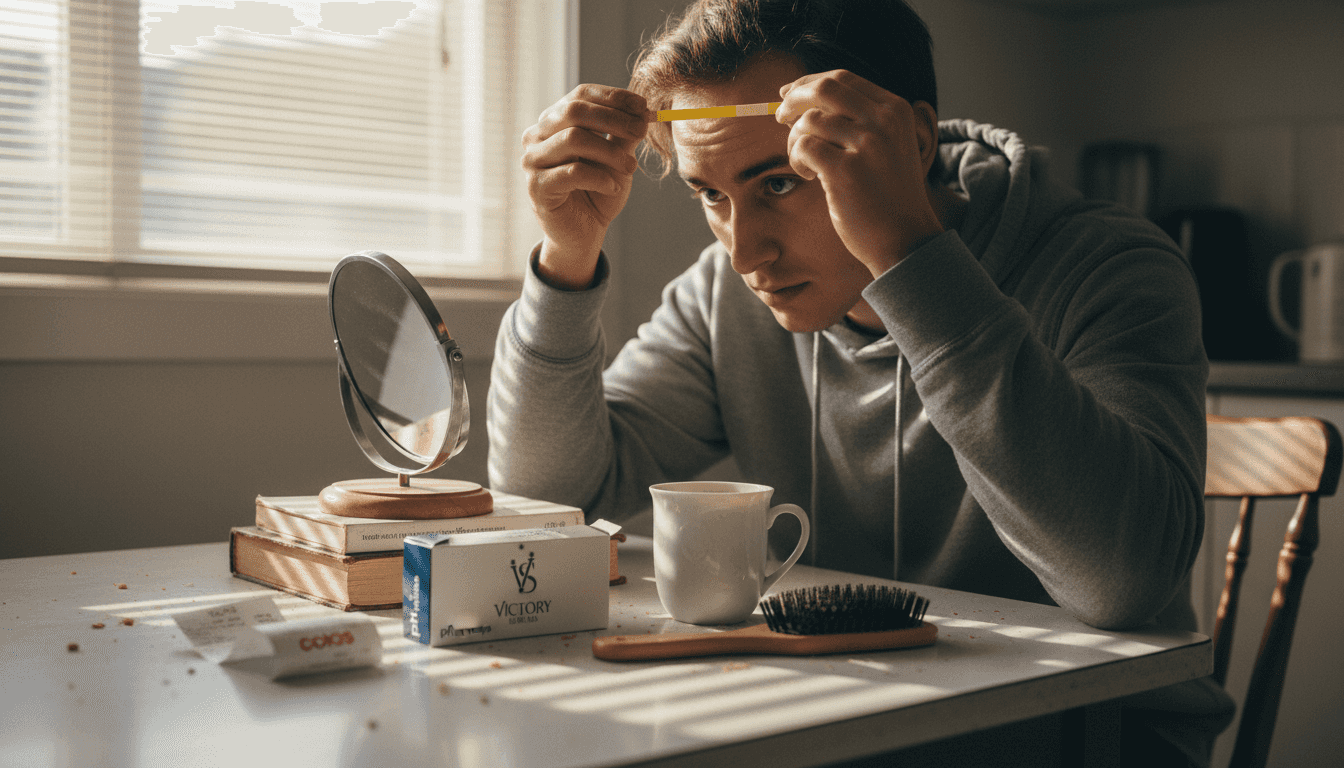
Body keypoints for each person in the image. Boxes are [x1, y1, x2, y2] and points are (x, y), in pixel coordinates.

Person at [487, 0, 1234, 764]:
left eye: (778, 182)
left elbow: (1124, 582)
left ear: (909, 143)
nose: (746, 252)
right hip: (849, 716)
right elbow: (551, 495)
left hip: (1086, 737)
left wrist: (907, 257)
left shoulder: (1109, 267)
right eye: (711, 194)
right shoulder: (725, 294)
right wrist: (564, 258)